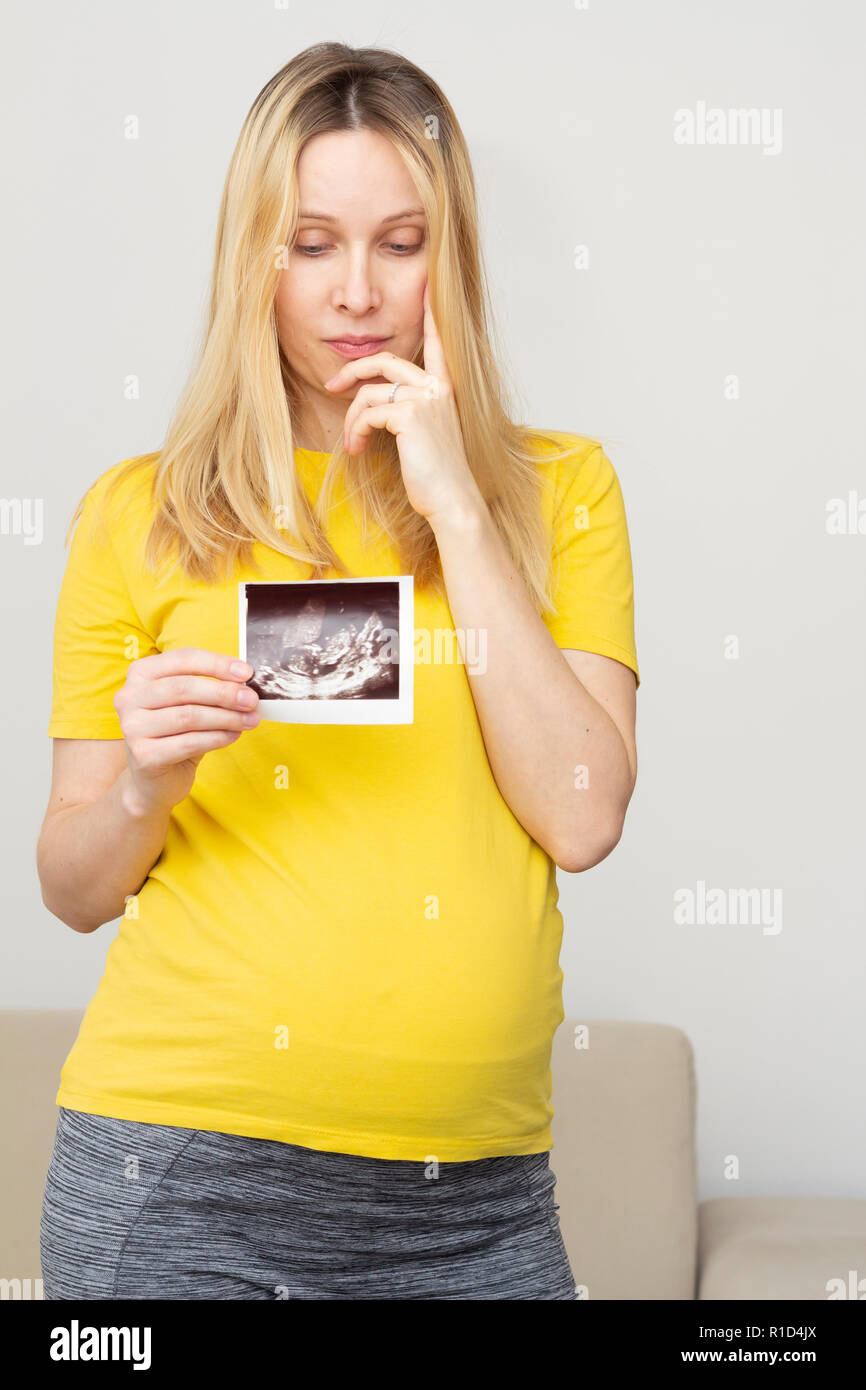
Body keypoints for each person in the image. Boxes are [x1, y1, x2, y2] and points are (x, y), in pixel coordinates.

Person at [37, 41, 640, 1301]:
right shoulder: (137, 515)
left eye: (399, 242)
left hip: (475, 1199)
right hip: (180, 1168)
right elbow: (73, 887)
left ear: (450, 259)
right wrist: (147, 785)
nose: (355, 291)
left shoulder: (561, 490)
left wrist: (460, 513)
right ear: (251, 256)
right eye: (309, 244)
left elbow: (581, 812)